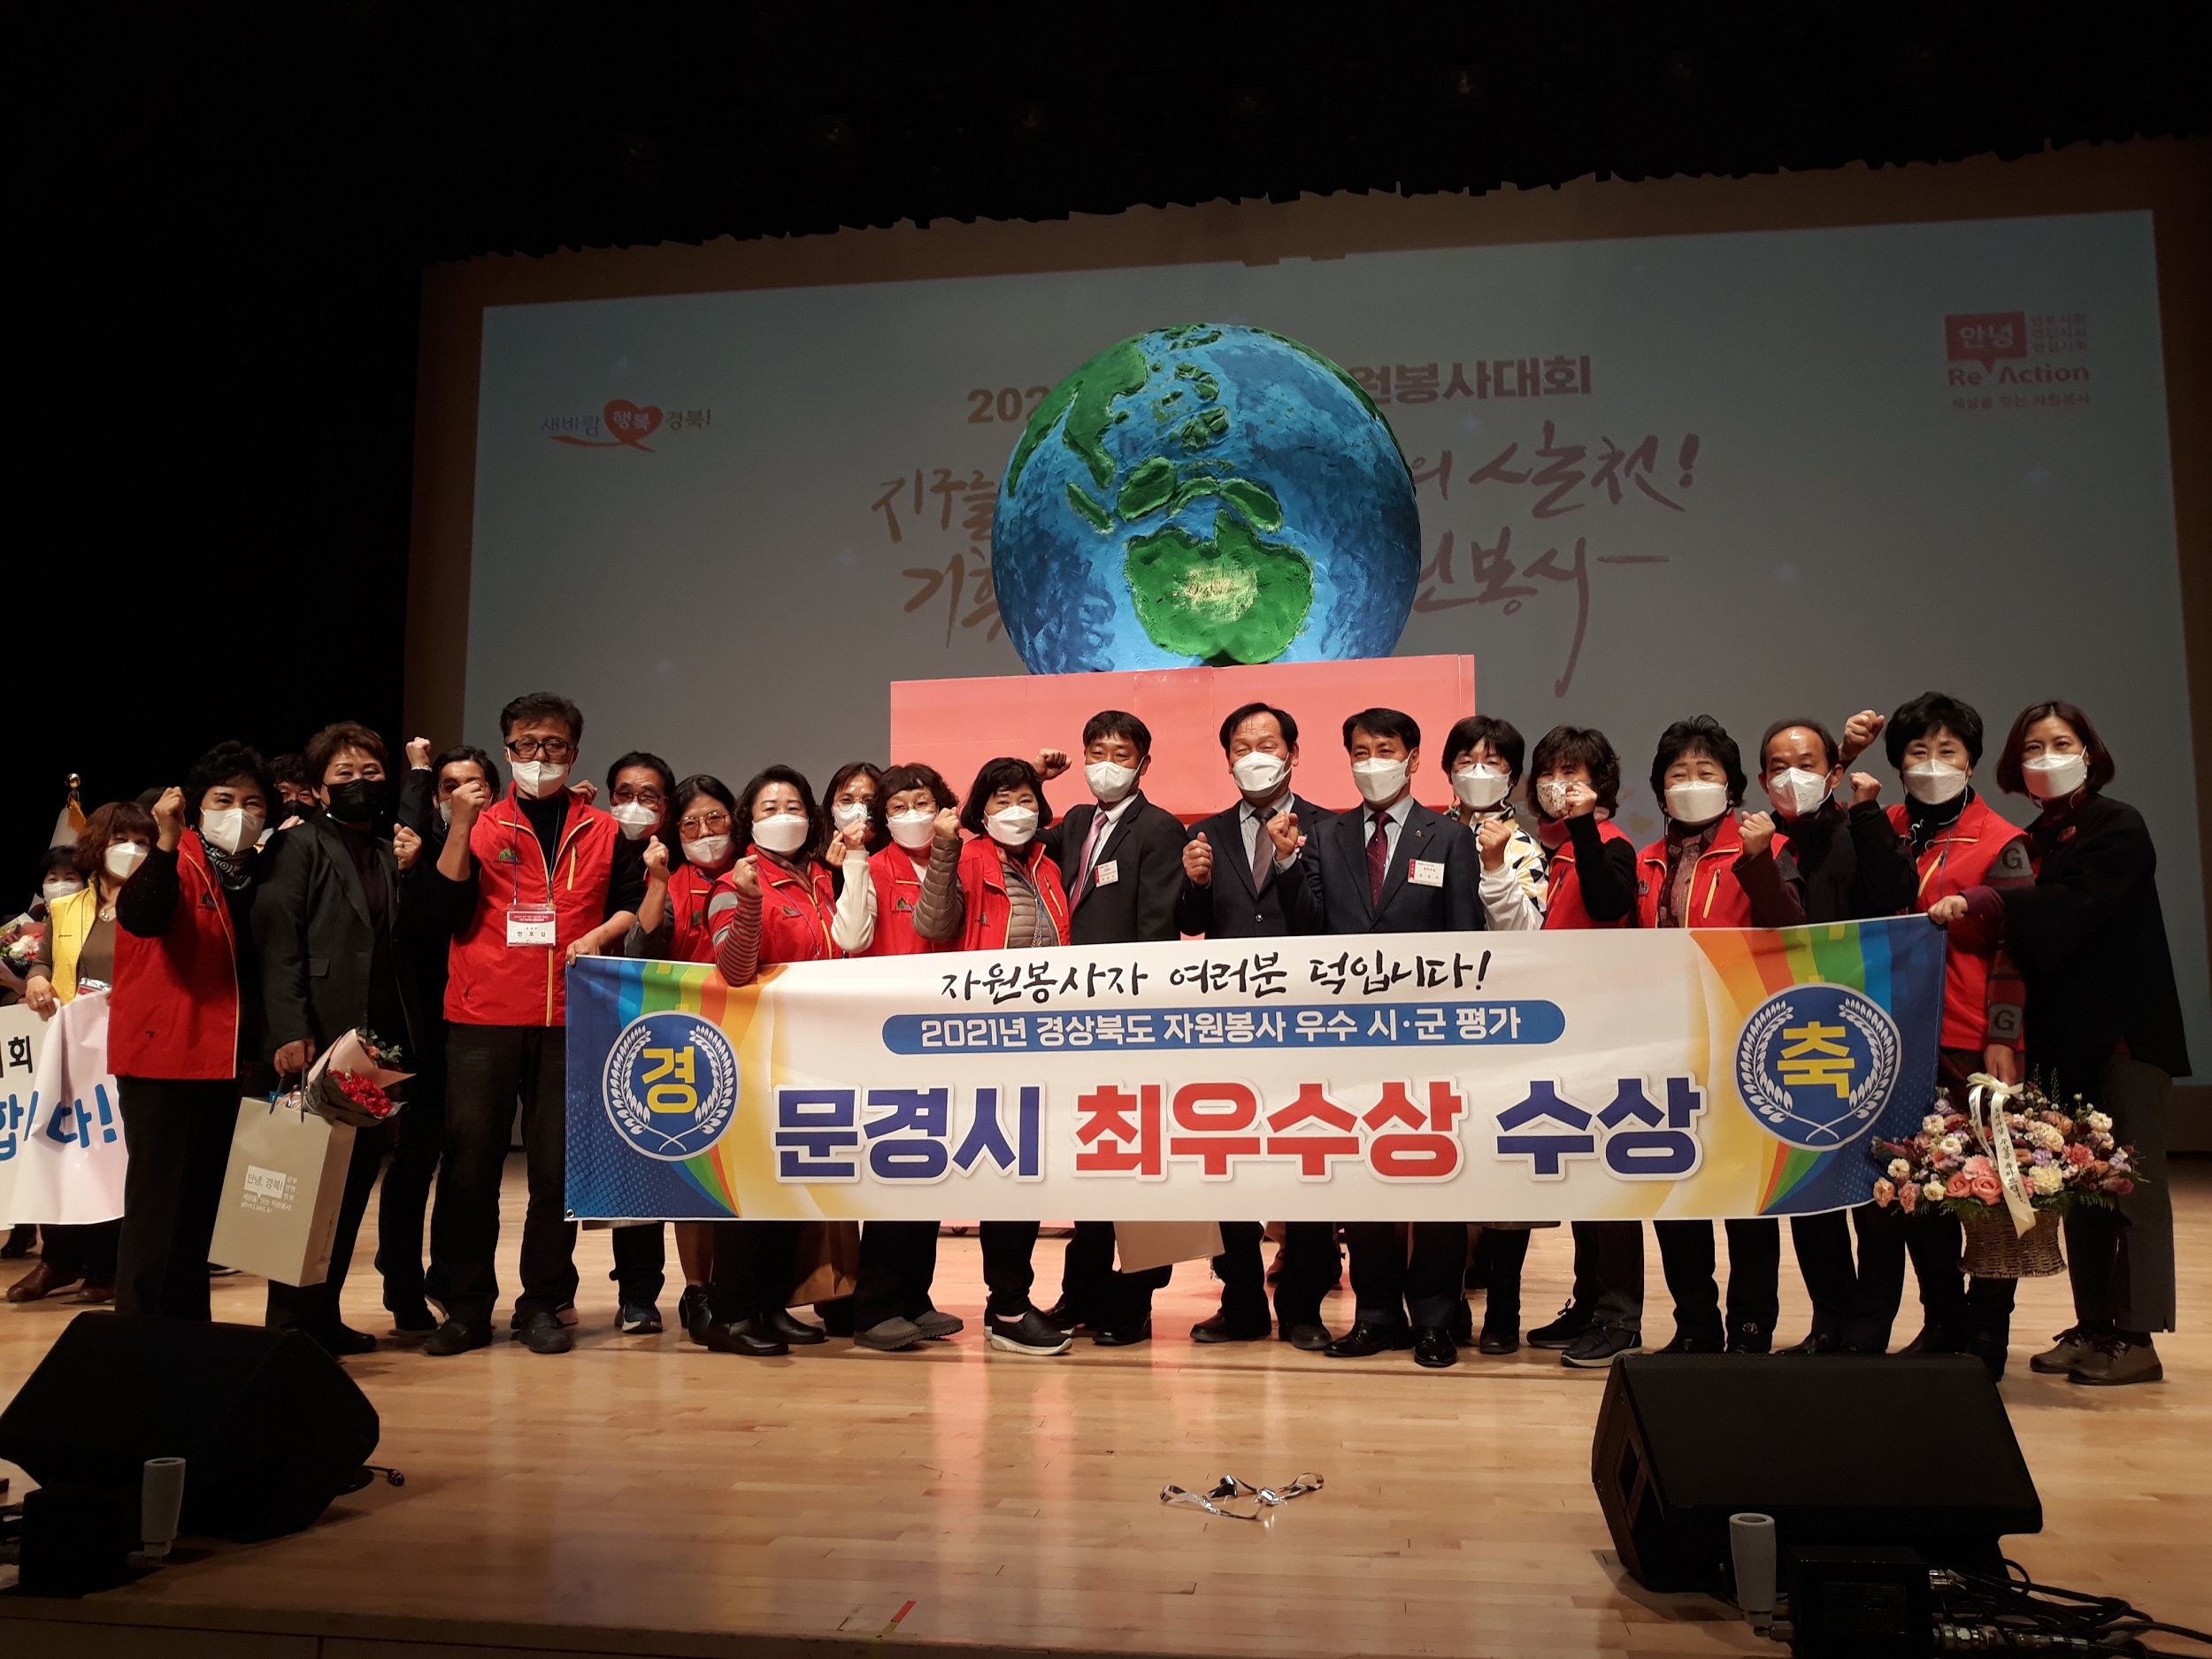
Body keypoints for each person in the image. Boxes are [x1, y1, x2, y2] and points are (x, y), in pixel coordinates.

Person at [1932, 700, 2188, 1386]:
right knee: (2081, 1185)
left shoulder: (2118, 824)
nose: (2047, 757)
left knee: (2131, 1187)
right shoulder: (2032, 840)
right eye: (2032, 747)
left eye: (2061, 743)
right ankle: (2095, 1325)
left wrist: (1989, 900)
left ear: (2090, 752)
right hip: (2065, 1038)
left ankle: (2136, 1336)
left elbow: (2078, 903)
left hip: (2126, 1034)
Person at [417, 693, 646, 1357]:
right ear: (507, 750)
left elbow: (630, 902)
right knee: (470, 1168)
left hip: (571, 1018)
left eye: (553, 744)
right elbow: (443, 910)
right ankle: (466, 1306)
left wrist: (601, 934)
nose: (539, 756)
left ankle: (542, 1302)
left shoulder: (603, 829)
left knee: (556, 1172)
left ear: (574, 752)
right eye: (526, 744)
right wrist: (460, 826)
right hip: (482, 1017)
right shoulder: (479, 823)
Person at [1276, 707, 1485, 1369]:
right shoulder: (1324, 833)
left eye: (1385, 750)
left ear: (1413, 758)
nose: (1372, 763)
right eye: (1360, 752)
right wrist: (1286, 863)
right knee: (1366, 1179)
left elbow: (1465, 938)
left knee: (1437, 1179)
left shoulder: (1449, 836)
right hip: (1352, 1039)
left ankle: (1435, 1318)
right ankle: (1375, 1315)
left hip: (1430, 1037)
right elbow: (1309, 926)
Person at [1737, 717, 1917, 1356]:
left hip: (1872, 1030)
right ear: (1763, 781)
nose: (1793, 776)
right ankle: (1829, 1320)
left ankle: (1871, 1325)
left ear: (1834, 772)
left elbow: (1899, 891)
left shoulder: (1861, 824)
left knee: (1875, 1192)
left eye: (1807, 763)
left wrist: (1866, 813)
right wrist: (1758, 859)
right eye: (1778, 767)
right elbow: (1782, 928)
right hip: (1795, 1034)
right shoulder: (1763, 843)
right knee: (1810, 1188)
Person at [250, 721, 426, 1356]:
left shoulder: (385, 850)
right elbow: (279, 943)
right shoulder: (297, 845)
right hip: (318, 1035)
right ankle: (289, 1320)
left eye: (371, 773)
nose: (359, 783)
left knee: (350, 1184)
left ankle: (322, 1313)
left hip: (373, 1045)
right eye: (344, 774)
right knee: (303, 1182)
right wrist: (290, 1029)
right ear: (320, 789)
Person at [1871, 694, 2032, 1375]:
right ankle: (1942, 1320)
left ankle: (1988, 1329)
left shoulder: (2004, 840)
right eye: (1918, 751)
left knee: (1990, 1188)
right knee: (1915, 1186)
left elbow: (2020, 944)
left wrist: (2006, 1036)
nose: (1932, 764)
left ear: (1971, 761)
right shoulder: (1884, 828)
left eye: (1947, 752)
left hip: (1970, 1034)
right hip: (1894, 1035)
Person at [1175, 701, 1341, 1349]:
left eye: (1267, 744)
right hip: (1229, 1025)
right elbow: (1193, 923)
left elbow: (1324, 923)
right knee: (1230, 1163)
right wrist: (1194, 884)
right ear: (1227, 760)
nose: (1255, 756)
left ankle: (1303, 1304)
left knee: (1307, 1160)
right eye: (1241, 747)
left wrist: (1290, 860)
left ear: (1293, 754)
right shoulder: (1208, 831)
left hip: (1306, 1022)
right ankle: (1240, 1299)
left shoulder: (1328, 828)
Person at [699, 764, 873, 1356]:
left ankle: (770, 1304)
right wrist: (750, 901)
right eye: (769, 808)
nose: (784, 817)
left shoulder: (819, 878)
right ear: (748, 820)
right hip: (756, 1052)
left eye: (794, 806)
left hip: (812, 1052)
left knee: (790, 1187)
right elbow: (734, 969)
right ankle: (731, 1313)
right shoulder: (735, 882)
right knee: (753, 1185)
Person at [1626, 716, 1782, 1359]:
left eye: (1706, 772)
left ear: (1732, 786)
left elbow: (1789, 930)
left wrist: (1759, 863)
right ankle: (1694, 1322)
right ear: (1661, 791)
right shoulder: (1646, 860)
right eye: (1678, 774)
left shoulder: (1762, 848)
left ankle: (1750, 1324)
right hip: (1666, 1048)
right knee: (1676, 1190)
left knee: (1746, 1194)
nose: (1691, 784)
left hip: (1746, 1043)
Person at [1036, 711, 1189, 1345]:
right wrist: (1033, 781)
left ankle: (1135, 1300)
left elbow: (1158, 929)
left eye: (1120, 754)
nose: (1107, 764)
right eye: (1096, 752)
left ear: (1143, 764)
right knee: (1091, 1163)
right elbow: (1002, 832)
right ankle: (1082, 1294)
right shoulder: (1075, 820)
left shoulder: (1160, 828)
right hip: (1073, 1019)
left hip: (1131, 1020)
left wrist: (1138, 1015)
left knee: (1139, 1168)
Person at [110, 741, 273, 1320]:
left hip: (223, 1063)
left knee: (198, 1213)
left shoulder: (253, 875)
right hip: (165, 1058)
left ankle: (184, 1337)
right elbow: (140, 916)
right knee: (157, 1214)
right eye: (225, 799)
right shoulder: (172, 856)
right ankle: (138, 1341)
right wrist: (164, 840)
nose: (239, 812)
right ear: (198, 805)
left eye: (253, 802)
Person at [927, 757, 1078, 1357]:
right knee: (1003, 1171)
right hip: (984, 1043)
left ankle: (1011, 1302)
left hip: (1044, 1044)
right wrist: (944, 851)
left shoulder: (1046, 864)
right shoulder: (967, 858)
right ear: (980, 811)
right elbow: (935, 923)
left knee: (1027, 1173)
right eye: (1002, 801)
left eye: (1026, 799)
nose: (1016, 811)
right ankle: (1008, 1305)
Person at [1439, 713, 1555, 1354]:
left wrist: (1491, 866)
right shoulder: (1426, 833)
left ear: (1512, 775)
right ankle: (1449, 1301)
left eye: (1493, 761)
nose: (1478, 771)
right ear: (1446, 768)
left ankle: (1504, 1308)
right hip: (1435, 1029)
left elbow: (1526, 934)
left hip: (1508, 1028)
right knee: (1446, 1165)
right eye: (1466, 760)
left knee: (1510, 1169)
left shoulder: (1524, 846)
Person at [843, 762, 968, 1351]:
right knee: (896, 1171)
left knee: (933, 1172)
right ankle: (875, 1306)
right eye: (897, 807)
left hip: (950, 1037)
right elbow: (854, 940)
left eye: (922, 802)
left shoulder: (963, 859)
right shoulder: (874, 867)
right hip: (890, 1039)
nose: (912, 815)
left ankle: (916, 1297)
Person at [9, 802, 156, 1305]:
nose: (132, 850)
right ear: (97, 845)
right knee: (62, 1147)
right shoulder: (68, 906)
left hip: (130, 1046)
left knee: (113, 1156)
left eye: (142, 841)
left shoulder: (152, 903)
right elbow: (46, 960)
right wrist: (37, 979)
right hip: (73, 1049)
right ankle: (58, 1260)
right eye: (121, 839)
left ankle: (107, 1266)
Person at [380, 740, 498, 1332]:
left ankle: (449, 1280)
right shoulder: (415, 847)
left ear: (493, 792)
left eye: (473, 784)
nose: (461, 794)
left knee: (466, 1161)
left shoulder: (504, 844)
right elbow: (436, 917)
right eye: (448, 786)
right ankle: (401, 1280)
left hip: (482, 1023)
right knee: (415, 1157)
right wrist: (419, 770)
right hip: (424, 1023)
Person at [626, 772, 743, 1341]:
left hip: (758, 1035)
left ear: (735, 819)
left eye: (715, 817)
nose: (704, 830)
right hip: (689, 1040)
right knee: (698, 1171)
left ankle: (751, 1289)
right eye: (690, 823)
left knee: (750, 1170)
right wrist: (656, 883)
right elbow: (640, 948)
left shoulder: (760, 872)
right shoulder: (670, 882)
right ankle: (697, 1291)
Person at [826, 762, 887, 858]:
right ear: (831, 808)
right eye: (846, 800)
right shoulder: (815, 862)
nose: (857, 810)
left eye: (868, 800)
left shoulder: (895, 858)